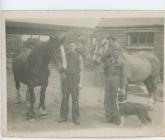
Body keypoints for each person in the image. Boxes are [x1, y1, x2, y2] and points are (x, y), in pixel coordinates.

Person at [102, 37, 127, 125]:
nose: (116, 53)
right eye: (114, 51)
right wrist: (106, 80)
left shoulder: (122, 63)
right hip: (108, 81)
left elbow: (124, 76)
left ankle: (116, 117)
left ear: (119, 53)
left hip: (117, 81)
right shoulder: (108, 61)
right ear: (112, 53)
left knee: (116, 100)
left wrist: (123, 87)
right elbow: (104, 71)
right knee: (108, 99)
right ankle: (108, 116)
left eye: (118, 52)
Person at [58, 40, 84, 125]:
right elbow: (61, 68)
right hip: (66, 80)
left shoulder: (79, 56)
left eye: (73, 46)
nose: (71, 47)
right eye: (70, 46)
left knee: (75, 99)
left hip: (75, 79)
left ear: (75, 47)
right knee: (64, 98)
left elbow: (81, 70)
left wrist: (80, 82)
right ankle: (63, 116)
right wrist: (62, 74)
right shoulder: (65, 56)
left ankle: (76, 117)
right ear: (68, 47)